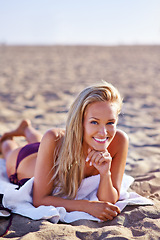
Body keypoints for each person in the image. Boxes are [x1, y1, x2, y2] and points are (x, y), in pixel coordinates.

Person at [0, 82, 129, 222]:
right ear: (79, 122)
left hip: (49, 149)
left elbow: (109, 201)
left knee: (42, 142)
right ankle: (7, 138)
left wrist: (105, 174)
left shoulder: (119, 140)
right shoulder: (53, 138)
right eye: (94, 122)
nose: (104, 133)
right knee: (8, 149)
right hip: (25, 160)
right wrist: (87, 206)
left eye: (110, 122)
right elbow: (40, 199)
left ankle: (26, 129)